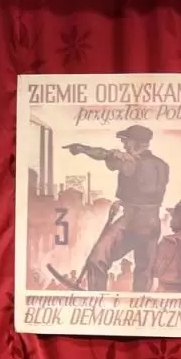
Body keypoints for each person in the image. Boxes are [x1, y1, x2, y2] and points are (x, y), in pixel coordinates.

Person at [63, 125, 169, 291]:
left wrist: (83, 149)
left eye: (127, 142)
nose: (124, 145)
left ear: (139, 143)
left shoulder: (130, 161)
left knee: (98, 259)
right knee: (144, 272)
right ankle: (140, 303)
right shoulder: (162, 165)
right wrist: (125, 202)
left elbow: (104, 154)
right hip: (151, 223)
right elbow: (148, 192)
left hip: (131, 221)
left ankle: (96, 298)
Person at [153, 200, 181, 293]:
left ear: (180, 219)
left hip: (166, 293)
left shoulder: (169, 242)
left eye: (173, 216)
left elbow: (155, 270)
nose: (171, 220)